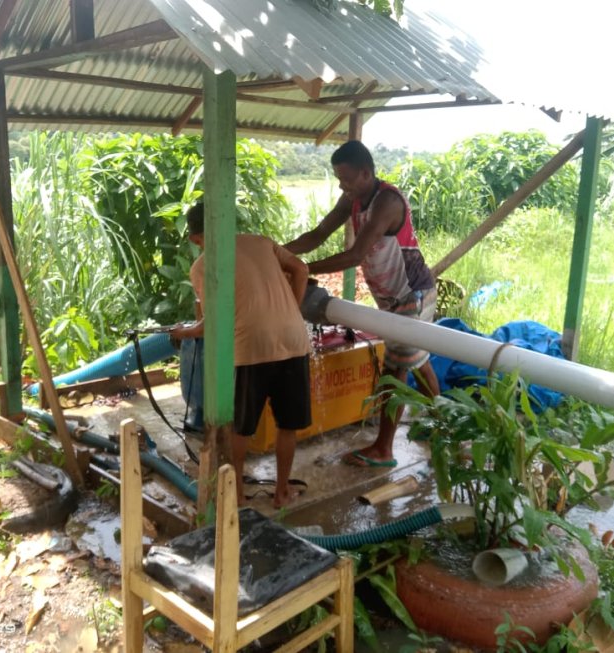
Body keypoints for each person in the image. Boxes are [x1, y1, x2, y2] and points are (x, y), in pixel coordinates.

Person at [286, 140, 440, 468]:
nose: (342, 186)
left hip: (412, 294)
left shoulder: (387, 202)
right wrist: (279, 254)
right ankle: (443, 424)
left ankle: (384, 449)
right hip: (392, 297)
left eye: (346, 179)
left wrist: (302, 269)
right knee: (418, 360)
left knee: (396, 368)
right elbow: (318, 234)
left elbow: (355, 255)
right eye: (338, 179)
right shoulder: (353, 199)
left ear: (366, 173)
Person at [171, 203, 312, 508]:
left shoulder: (202, 266)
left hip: (252, 347)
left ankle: (235, 494)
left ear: (196, 239)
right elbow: (302, 269)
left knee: (241, 427)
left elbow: (210, 324)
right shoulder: (261, 242)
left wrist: (182, 332)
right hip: (294, 339)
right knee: (288, 424)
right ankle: (281, 492)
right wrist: (292, 310)